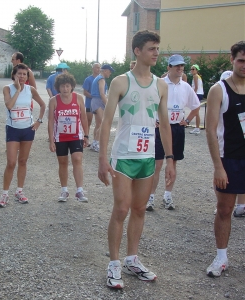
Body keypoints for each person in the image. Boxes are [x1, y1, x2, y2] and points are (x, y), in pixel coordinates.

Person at [98, 30, 175, 289]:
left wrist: (171, 159)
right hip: (123, 157)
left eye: (157, 48)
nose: (156, 53)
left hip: (147, 157)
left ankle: (132, 259)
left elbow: (164, 125)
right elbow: (106, 122)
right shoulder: (121, 81)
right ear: (137, 51)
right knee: (121, 209)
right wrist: (102, 159)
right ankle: (114, 264)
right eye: (152, 48)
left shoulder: (160, 85)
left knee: (140, 210)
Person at [205, 41, 245, 277]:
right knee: (224, 209)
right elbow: (210, 131)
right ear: (232, 60)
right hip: (229, 159)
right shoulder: (219, 90)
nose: (244, 65)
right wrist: (218, 167)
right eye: (241, 60)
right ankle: (221, 257)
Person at [146, 55, 200, 211]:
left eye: (182, 66)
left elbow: (196, 106)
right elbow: (148, 103)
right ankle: (150, 197)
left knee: (173, 163)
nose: (180, 68)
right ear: (169, 67)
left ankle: (167, 196)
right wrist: (152, 120)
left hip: (177, 128)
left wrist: (188, 120)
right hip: (160, 127)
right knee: (157, 164)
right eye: (176, 66)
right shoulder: (160, 84)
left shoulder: (185, 87)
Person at [0, 63, 45, 208]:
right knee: (11, 162)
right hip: (13, 128)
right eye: (20, 74)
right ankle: (4, 194)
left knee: (23, 161)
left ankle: (19, 191)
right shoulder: (8, 88)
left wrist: (38, 121)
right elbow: (9, 105)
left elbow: (43, 105)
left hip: (27, 129)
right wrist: (18, 90)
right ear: (14, 75)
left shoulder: (31, 90)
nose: (22, 77)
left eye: (25, 74)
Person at [48, 73, 89, 202]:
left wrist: (86, 135)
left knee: (77, 159)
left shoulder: (78, 98)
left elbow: (83, 117)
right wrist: (51, 139)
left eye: (67, 86)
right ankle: (64, 190)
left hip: (76, 135)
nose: (65, 89)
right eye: (62, 86)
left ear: (71, 87)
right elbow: (50, 121)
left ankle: (80, 190)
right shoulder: (54, 100)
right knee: (63, 162)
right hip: (60, 137)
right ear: (58, 88)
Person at [89, 64, 114, 152]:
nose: (110, 73)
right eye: (109, 71)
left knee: (99, 123)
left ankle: (94, 143)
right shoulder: (101, 79)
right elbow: (102, 93)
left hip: (95, 101)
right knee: (102, 123)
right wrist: (108, 105)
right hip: (98, 101)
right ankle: (96, 143)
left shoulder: (98, 78)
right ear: (105, 70)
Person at [82, 63, 101, 146]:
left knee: (99, 122)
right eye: (97, 67)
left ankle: (95, 141)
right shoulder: (88, 79)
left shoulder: (101, 79)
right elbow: (84, 92)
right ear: (93, 68)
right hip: (90, 103)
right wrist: (93, 97)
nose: (98, 69)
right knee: (88, 121)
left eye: (99, 67)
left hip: (99, 105)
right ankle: (86, 138)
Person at [189, 64, 204, 135]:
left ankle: (197, 128)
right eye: (191, 69)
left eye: (193, 69)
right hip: (199, 94)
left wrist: (193, 95)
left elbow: (196, 87)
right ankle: (197, 127)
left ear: (196, 70)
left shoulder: (195, 76)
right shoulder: (198, 76)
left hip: (197, 94)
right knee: (196, 111)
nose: (191, 71)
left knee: (196, 111)